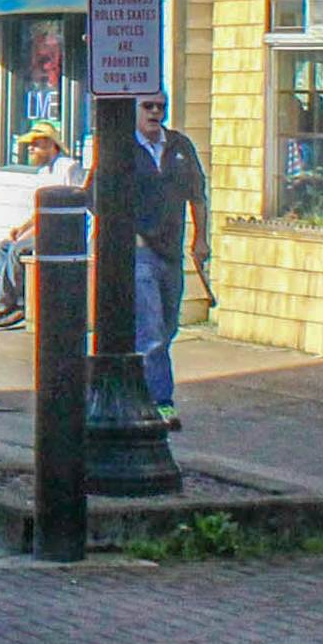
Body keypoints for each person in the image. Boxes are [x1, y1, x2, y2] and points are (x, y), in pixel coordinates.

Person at [126, 92, 212, 420]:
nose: (155, 112)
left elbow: (198, 195)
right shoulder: (123, 148)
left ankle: (138, 386)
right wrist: (126, 235)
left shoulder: (179, 146)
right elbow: (98, 197)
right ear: (135, 110)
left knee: (168, 326)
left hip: (171, 251)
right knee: (152, 331)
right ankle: (162, 402)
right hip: (141, 251)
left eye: (160, 106)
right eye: (148, 106)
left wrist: (200, 238)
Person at [0, 126, 84, 329]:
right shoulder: (43, 172)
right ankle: (20, 301)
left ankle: (3, 305)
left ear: (51, 145)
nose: (31, 149)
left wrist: (29, 235)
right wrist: (21, 229)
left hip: (63, 231)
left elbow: (75, 203)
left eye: (36, 144)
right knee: (3, 247)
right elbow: (39, 211)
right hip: (43, 229)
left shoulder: (69, 167)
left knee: (18, 250)